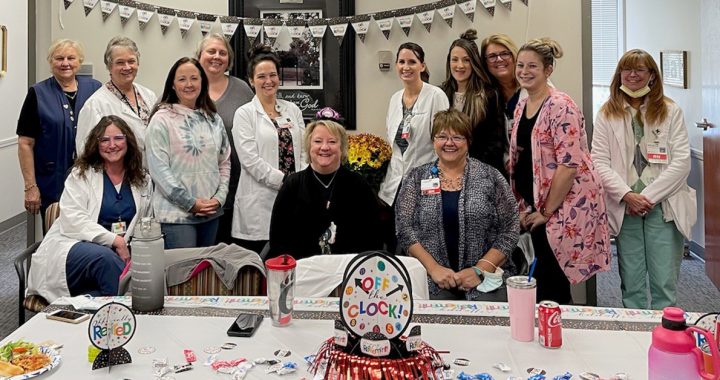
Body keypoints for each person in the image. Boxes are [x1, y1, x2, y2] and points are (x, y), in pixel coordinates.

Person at [508, 38, 611, 304]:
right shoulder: (523, 103)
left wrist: (545, 212)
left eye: (533, 66)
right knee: (541, 278)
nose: (524, 71)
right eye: (520, 65)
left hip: (561, 206)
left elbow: (568, 165)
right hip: (537, 206)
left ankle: (558, 335)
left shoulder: (561, 106)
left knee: (552, 284)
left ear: (548, 70)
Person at [592, 49, 695, 310]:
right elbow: (598, 162)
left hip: (663, 208)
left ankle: (665, 343)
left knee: (664, 284)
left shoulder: (671, 111)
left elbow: (682, 162)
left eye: (640, 69)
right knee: (632, 284)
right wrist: (628, 196)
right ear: (619, 75)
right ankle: (633, 342)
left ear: (652, 75)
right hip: (626, 208)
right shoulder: (607, 113)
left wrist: (646, 198)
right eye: (627, 69)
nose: (633, 75)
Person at [26, 115, 153, 303]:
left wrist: (137, 252)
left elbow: (146, 222)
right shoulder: (81, 175)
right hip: (74, 249)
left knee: (121, 276)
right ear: (96, 144)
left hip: (119, 255)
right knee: (106, 260)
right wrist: (115, 240)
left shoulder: (142, 179)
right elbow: (73, 220)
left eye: (118, 138)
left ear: (128, 141)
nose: (112, 145)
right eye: (105, 140)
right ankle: (129, 318)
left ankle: (87, 304)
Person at [396, 109, 518, 301]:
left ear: (468, 141)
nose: (449, 143)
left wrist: (479, 270)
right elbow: (404, 229)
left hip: (487, 278)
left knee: (486, 323)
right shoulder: (416, 178)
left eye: (457, 137)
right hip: (430, 278)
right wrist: (434, 269)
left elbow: (510, 229)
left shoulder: (490, 177)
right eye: (442, 136)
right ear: (433, 141)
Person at [268, 113, 382, 260]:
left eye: (332, 142)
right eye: (318, 141)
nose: (325, 147)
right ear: (309, 146)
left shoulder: (358, 185)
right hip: (303, 272)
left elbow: (373, 238)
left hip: (347, 272)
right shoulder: (292, 185)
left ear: (342, 148)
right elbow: (278, 240)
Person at [145, 57, 231, 249]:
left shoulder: (213, 119)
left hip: (211, 213)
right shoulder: (161, 120)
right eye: (182, 79)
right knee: (183, 276)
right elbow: (159, 170)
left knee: (205, 275)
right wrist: (190, 203)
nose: (189, 84)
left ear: (202, 82)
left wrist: (219, 199)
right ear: (173, 85)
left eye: (194, 78)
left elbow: (224, 162)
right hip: (176, 217)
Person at [17, 39, 101, 219]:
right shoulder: (37, 93)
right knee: (56, 233)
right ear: (50, 62)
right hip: (52, 183)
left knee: (91, 232)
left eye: (71, 58)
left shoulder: (95, 89)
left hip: (91, 180)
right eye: (59, 58)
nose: (65, 63)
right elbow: (25, 143)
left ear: (79, 61)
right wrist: (30, 187)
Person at [232, 45, 305, 254]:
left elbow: (304, 151)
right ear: (251, 80)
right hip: (259, 202)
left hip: (296, 198)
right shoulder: (244, 114)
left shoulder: (292, 110)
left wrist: (300, 181)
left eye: (273, 75)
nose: (268, 81)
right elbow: (250, 160)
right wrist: (285, 182)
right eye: (261, 76)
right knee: (260, 269)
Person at [379, 42, 449, 249]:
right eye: (401, 62)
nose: (406, 67)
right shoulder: (394, 99)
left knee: (422, 243)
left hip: (426, 179)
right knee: (395, 241)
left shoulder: (435, 96)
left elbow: (445, 142)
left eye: (412, 62)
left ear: (422, 66)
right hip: (395, 182)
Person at [196, 32, 255, 245]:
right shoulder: (186, 86)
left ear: (229, 59)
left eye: (222, 53)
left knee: (231, 249)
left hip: (236, 185)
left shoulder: (242, 90)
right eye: (211, 51)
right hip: (196, 189)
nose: (216, 56)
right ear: (199, 56)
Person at [77, 36, 157, 157]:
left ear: (138, 63)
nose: (127, 67)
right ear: (109, 66)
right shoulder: (95, 104)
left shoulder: (149, 96)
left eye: (131, 61)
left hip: (150, 172)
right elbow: (85, 152)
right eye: (120, 62)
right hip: (117, 174)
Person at [442, 29, 507, 178]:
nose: (460, 65)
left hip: (480, 173)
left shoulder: (489, 94)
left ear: (475, 63)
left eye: (466, 60)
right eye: (455, 59)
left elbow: (495, 144)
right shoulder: (441, 93)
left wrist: (472, 171)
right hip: (447, 172)